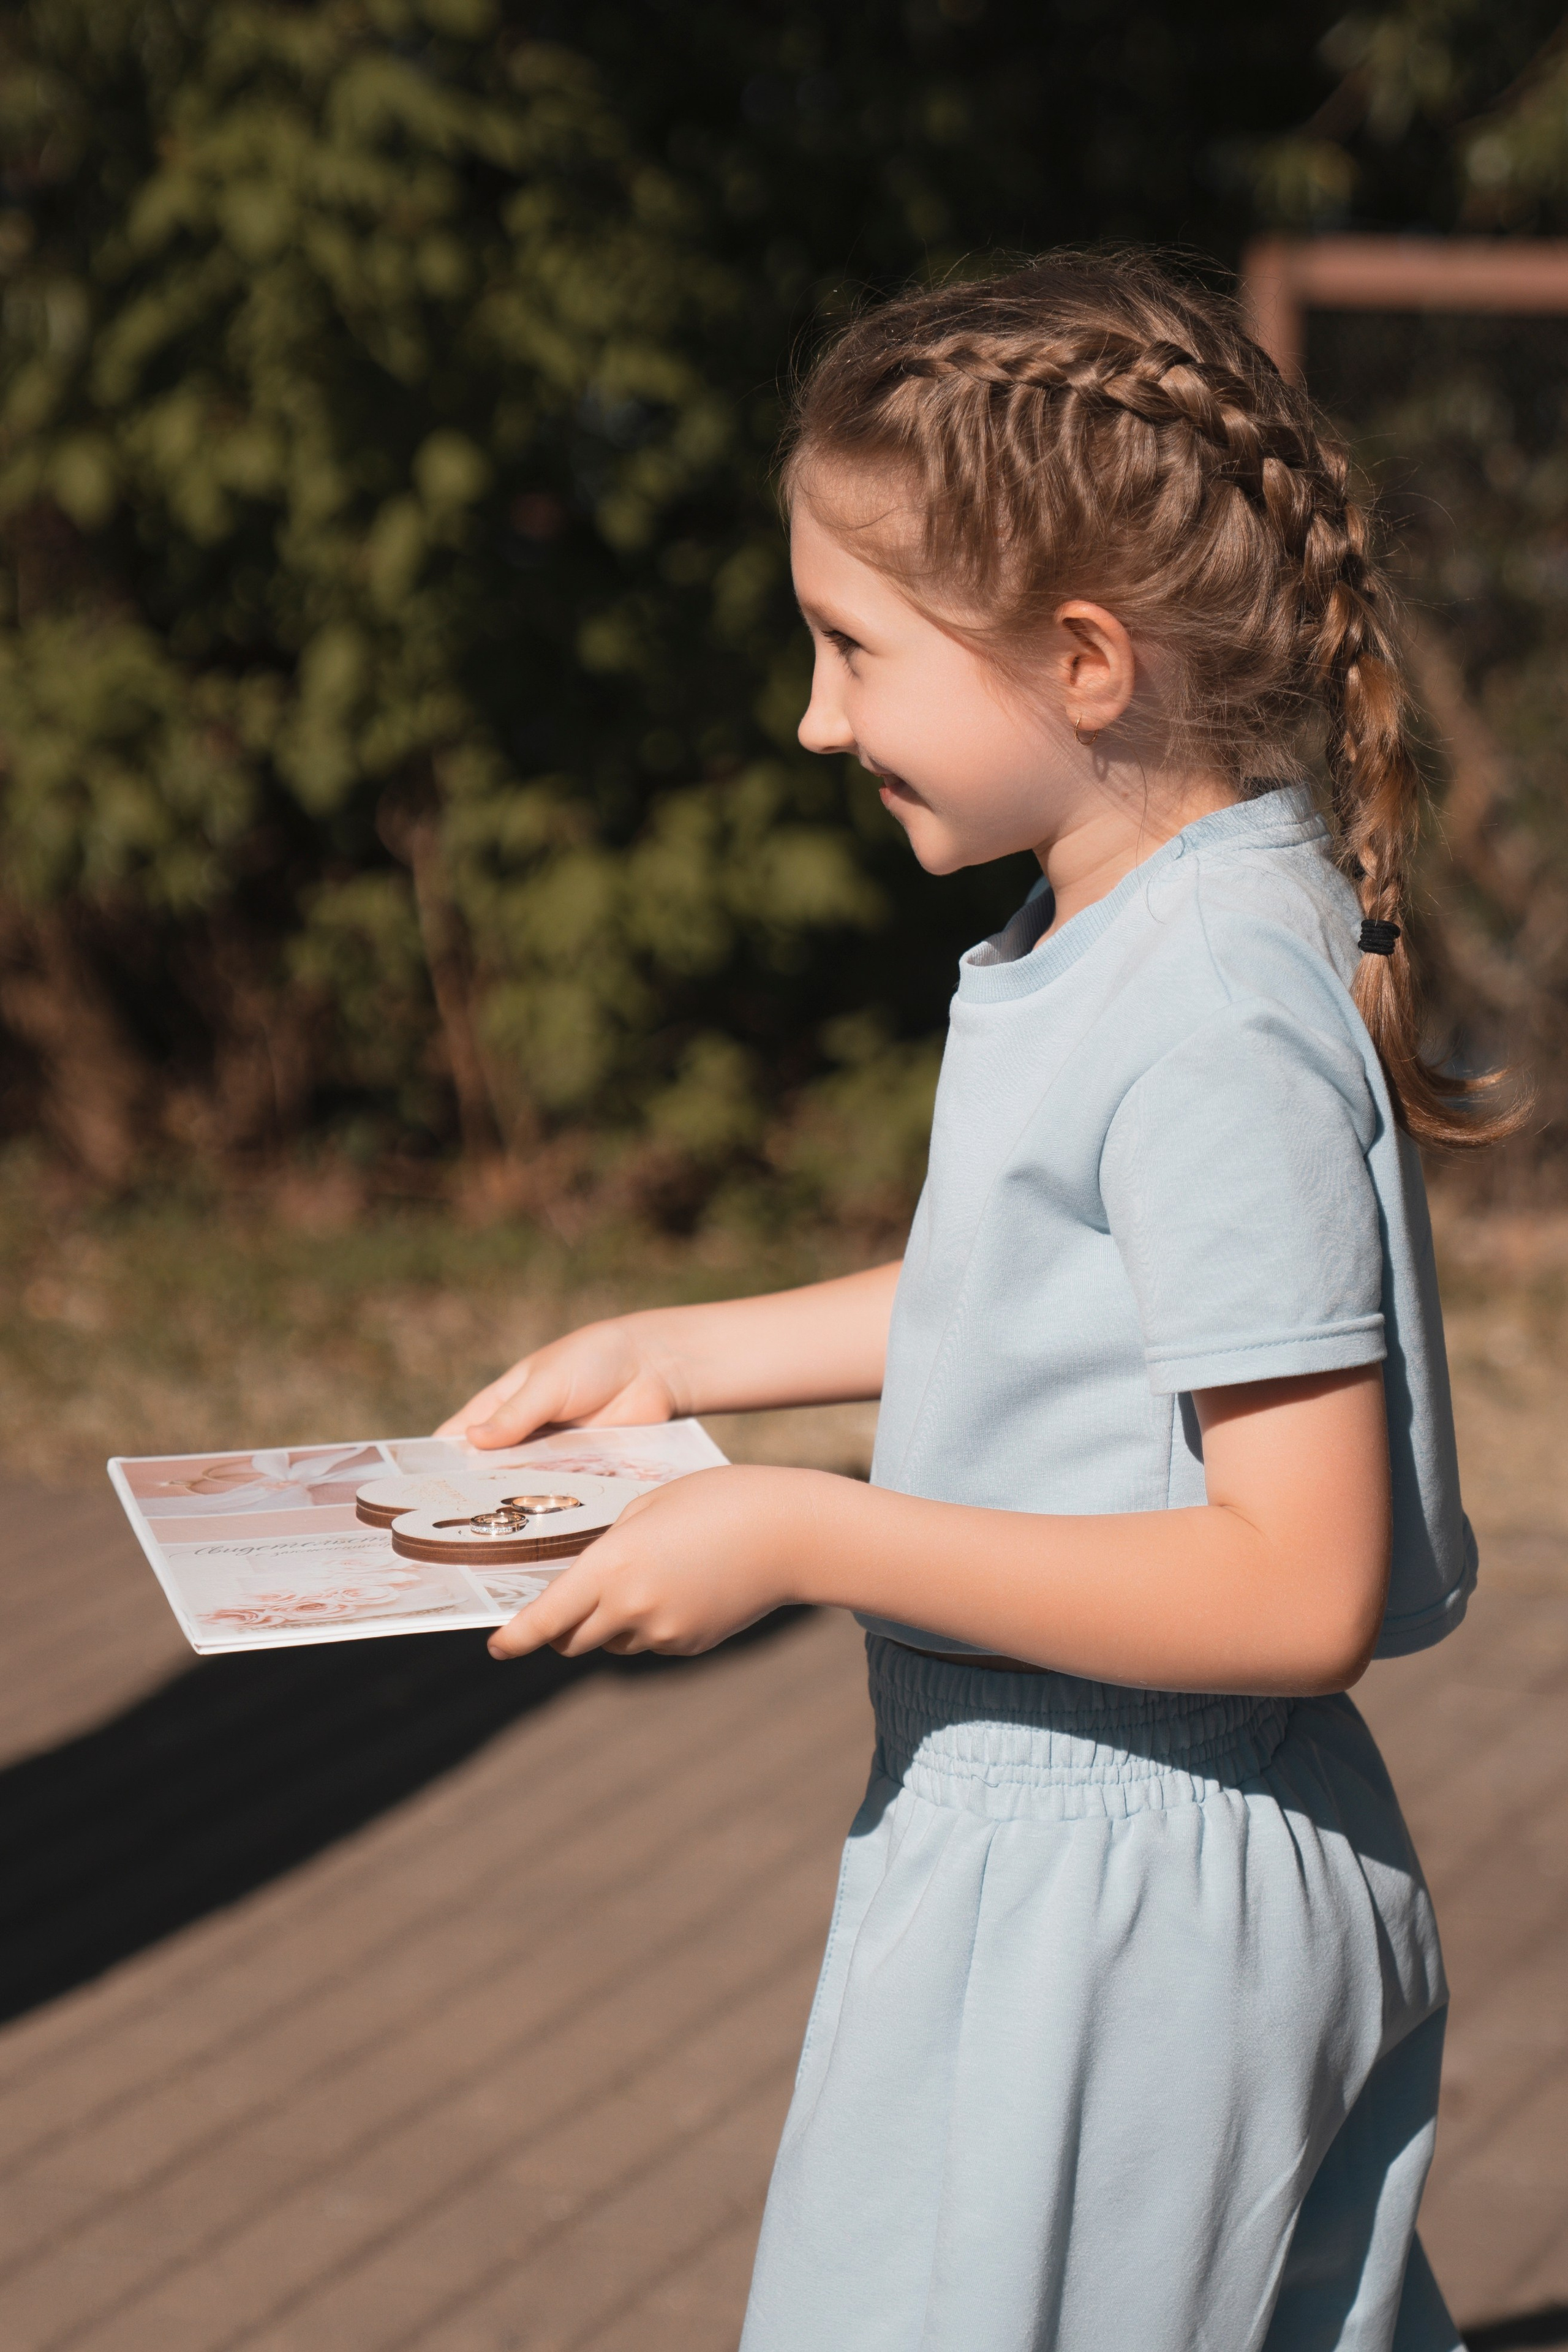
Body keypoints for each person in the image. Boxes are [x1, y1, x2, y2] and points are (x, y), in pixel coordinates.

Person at [438, 254, 1522, 2352]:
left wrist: (800, 1531)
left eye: (852, 648)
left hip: (1129, 1910)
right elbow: (1061, 1283)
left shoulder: (1211, 1003)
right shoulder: (1139, 919)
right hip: (1070, 1860)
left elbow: (1300, 1588)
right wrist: (690, 1354)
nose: (815, 713)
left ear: (1085, 662)